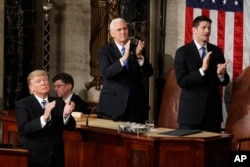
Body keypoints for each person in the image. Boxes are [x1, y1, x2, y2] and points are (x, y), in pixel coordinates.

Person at [174, 15, 230, 132]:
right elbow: (182, 81)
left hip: (212, 114)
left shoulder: (216, 51)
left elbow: (225, 81)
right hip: (190, 115)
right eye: (204, 27)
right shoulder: (183, 52)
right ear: (194, 30)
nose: (207, 31)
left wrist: (221, 74)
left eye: (209, 28)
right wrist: (202, 70)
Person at [97, 17, 153, 123]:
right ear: (112, 33)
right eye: (119, 30)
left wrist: (140, 56)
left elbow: (149, 72)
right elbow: (106, 73)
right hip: (114, 105)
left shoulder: (136, 48)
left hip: (136, 106)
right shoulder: (104, 51)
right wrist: (124, 58)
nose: (123, 32)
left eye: (125, 29)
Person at [15, 70, 76, 167]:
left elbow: (71, 127)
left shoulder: (58, 102)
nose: (43, 83)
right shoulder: (23, 104)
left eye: (45, 80)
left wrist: (66, 115)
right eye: (38, 81)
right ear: (31, 88)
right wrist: (44, 117)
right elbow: (24, 129)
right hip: (35, 158)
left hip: (56, 158)